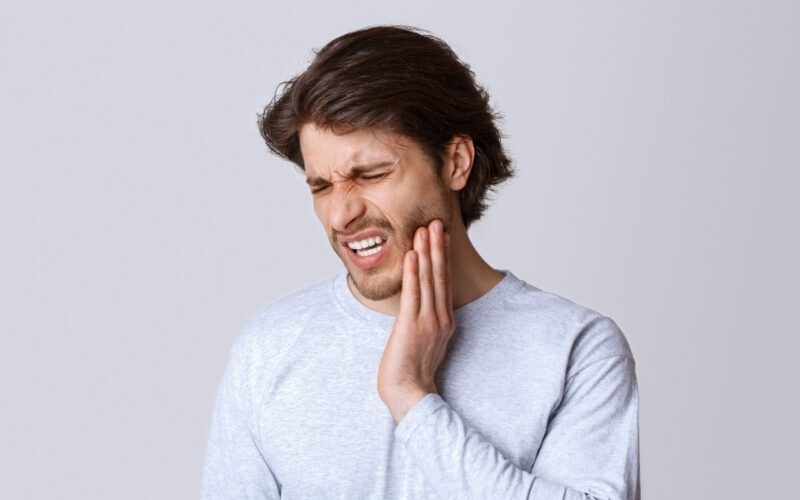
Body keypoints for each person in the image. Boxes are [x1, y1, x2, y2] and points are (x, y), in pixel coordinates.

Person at [200, 25, 639, 500]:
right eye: (321, 187)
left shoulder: (574, 349)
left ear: (456, 162)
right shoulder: (268, 349)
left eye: (371, 174)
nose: (341, 214)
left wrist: (411, 396)